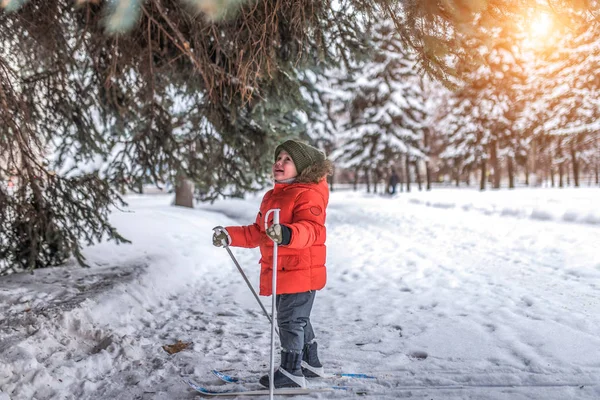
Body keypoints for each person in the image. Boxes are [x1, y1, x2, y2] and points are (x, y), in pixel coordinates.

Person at [212, 140, 333, 389]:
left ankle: (291, 372)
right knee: (297, 319)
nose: (279, 163)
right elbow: (259, 232)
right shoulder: (273, 196)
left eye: (287, 159)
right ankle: (310, 362)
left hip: (301, 270)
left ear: (302, 167)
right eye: (278, 158)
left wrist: (288, 234)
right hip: (283, 271)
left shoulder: (308, 194)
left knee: (290, 321)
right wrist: (231, 235)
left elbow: (312, 230)